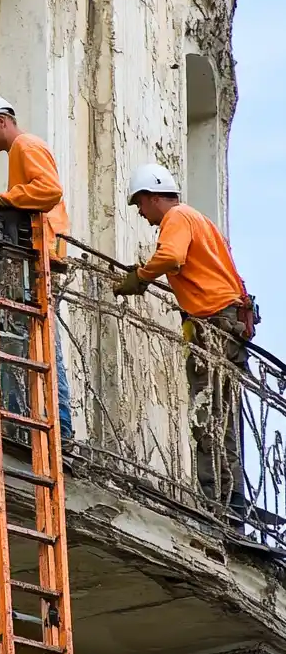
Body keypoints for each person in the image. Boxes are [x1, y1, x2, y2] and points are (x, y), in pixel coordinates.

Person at [112, 163, 255, 512]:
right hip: (227, 325)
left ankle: (217, 507)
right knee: (224, 421)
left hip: (215, 328)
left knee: (208, 418)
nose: (142, 215)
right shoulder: (201, 221)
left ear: (153, 196)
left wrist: (142, 277)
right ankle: (232, 502)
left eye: (140, 205)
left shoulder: (176, 218)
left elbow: (172, 255)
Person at [0, 92, 73, 440]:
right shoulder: (21, 152)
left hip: (39, 258)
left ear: (0, 121)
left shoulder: (26, 146)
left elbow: (48, 191)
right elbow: (27, 205)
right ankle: (40, 421)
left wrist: (0, 199)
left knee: (38, 340)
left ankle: (56, 426)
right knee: (35, 340)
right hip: (37, 255)